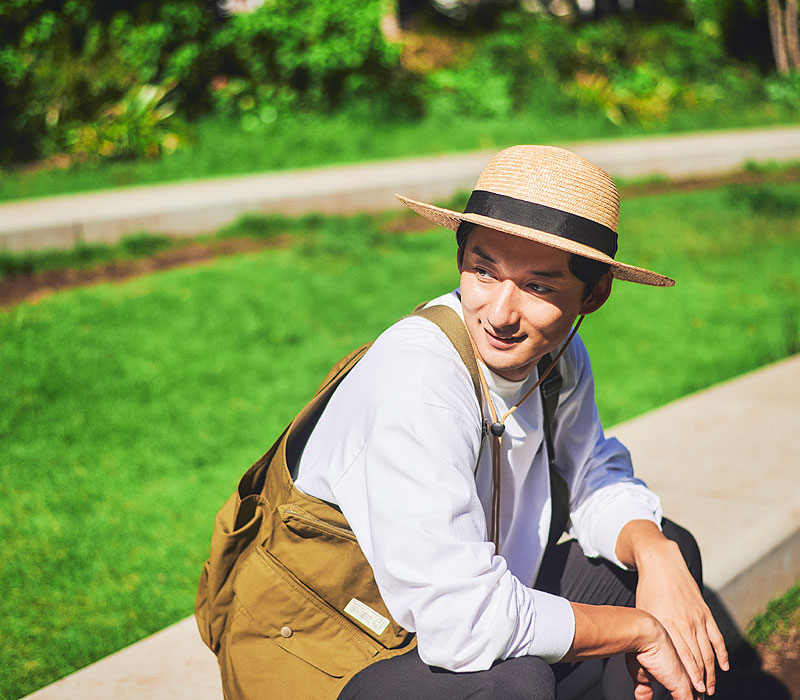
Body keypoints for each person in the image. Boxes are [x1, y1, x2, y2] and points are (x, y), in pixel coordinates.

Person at [202, 145, 729, 700]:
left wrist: (654, 552)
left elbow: (593, 472)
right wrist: (639, 632)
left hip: (453, 613)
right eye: (484, 271)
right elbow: (463, 624)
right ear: (460, 258)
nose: (500, 314)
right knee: (511, 683)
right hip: (329, 655)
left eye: (539, 286)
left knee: (666, 557)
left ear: (593, 295)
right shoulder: (419, 378)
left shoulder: (556, 355)